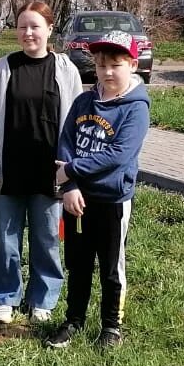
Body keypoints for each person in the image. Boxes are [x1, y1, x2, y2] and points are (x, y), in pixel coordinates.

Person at [0, 0, 83, 324]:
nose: (28, 33)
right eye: (22, 26)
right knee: (6, 240)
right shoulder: (2, 69)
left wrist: (72, 173)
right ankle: (6, 296)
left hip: (50, 173)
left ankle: (43, 299)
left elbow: (77, 123)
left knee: (47, 239)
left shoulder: (65, 69)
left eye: (35, 26)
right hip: (9, 170)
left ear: (50, 29)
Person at [45, 35, 150, 349]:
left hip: (111, 200)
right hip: (76, 199)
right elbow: (65, 142)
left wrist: (70, 170)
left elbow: (118, 154)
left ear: (132, 65)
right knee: (77, 263)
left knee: (110, 266)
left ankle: (111, 326)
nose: (107, 73)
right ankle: (73, 319)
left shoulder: (136, 108)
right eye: (101, 65)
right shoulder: (84, 102)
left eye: (115, 66)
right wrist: (70, 186)